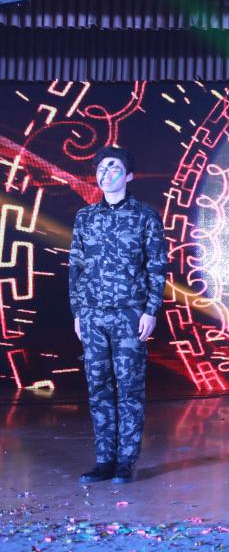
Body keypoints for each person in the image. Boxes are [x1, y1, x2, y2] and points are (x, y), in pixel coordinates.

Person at [70, 146, 167, 485]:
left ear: (128, 175)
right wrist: (78, 312)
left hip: (129, 315)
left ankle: (126, 461)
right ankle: (104, 460)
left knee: (129, 388)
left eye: (113, 167)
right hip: (93, 315)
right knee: (98, 387)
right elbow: (76, 267)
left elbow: (157, 266)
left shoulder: (145, 215)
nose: (105, 172)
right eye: (101, 167)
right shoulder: (85, 217)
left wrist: (151, 310)